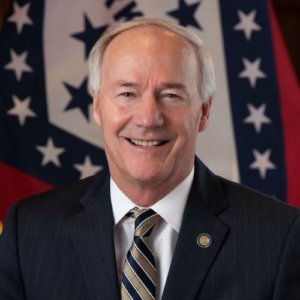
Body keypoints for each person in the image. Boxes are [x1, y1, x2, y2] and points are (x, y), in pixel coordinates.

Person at [0, 18, 299, 300]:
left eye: (171, 95)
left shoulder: (278, 237)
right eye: (128, 93)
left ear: (204, 111)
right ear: (97, 107)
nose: (148, 118)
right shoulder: (28, 231)